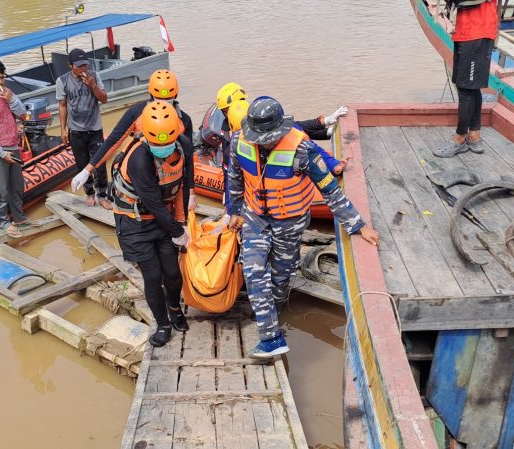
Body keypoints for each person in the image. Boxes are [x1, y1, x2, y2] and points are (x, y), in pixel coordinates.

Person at [227, 97, 380, 359]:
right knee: (253, 272)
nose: (263, 142)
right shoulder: (238, 142)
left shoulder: (302, 149)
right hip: (255, 218)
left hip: (290, 222)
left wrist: (357, 225)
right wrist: (233, 211)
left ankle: (272, 310)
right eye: (259, 138)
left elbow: (329, 189)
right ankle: (271, 338)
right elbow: (234, 178)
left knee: (281, 277)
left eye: (268, 138)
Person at [110, 100, 195, 347]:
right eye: (157, 144)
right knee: (153, 275)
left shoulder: (184, 146)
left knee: (172, 271)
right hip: (134, 222)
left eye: (167, 143)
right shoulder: (139, 159)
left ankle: (174, 308)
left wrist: (182, 221)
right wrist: (177, 231)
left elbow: (183, 185)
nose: (163, 148)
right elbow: (154, 204)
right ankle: (163, 323)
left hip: (163, 218)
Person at [70, 69, 193, 201]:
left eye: (167, 99)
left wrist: (191, 192)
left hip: (169, 178)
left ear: (175, 95)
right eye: (159, 98)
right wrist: (87, 170)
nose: (163, 102)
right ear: (151, 94)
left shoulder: (184, 120)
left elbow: (188, 158)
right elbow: (113, 141)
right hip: (141, 176)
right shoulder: (136, 113)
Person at [0, 59, 39, 239]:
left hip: (13, 145)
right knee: (0, 189)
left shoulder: (7, 94)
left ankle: (19, 217)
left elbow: (24, 115)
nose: (0, 82)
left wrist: (11, 100)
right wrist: (2, 153)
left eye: (2, 77)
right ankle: (3, 222)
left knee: (17, 186)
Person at [434, 0, 498, 158]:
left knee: (465, 89)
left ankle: (459, 138)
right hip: (467, 30)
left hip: (476, 31)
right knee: (471, 87)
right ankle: (474, 135)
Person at [57, 48, 110, 208]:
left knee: (99, 163)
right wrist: (63, 129)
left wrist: (93, 86)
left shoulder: (94, 76)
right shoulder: (63, 81)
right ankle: (89, 193)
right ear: (70, 65)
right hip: (76, 131)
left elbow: (104, 99)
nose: (83, 68)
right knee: (82, 164)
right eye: (79, 66)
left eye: (85, 65)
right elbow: (62, 105)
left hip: (95, 128)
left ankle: (102, 195)